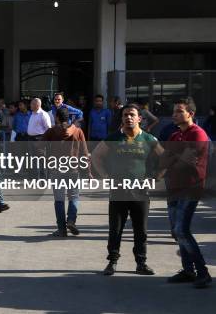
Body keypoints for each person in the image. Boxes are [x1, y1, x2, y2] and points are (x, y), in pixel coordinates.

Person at [92, 103, 163, 276]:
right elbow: (96, 156)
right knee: (115, 228)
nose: (128, 118)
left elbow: (165, 159)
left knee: (141, 230)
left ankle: (141, 263)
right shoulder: (113, 138)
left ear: (139, 118)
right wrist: (106, 176)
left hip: (140, 191)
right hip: (118, 191)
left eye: (132, 114)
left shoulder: (149, 139)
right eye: (125, 115)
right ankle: (112, 261)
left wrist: (155, 177)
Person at [160, 98, 212, 288]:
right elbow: (164, 162)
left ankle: (203, 273)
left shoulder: (198, 134)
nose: (174, 115)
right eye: (174, 111)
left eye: (179, 111)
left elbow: (185, 163)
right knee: (176, 232)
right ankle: (188, 270)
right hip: (173, 188)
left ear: (190, 113)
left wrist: (175, 158)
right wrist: (176, 158)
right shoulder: (175, 136)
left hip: (190, 188)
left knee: (182, 230)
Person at [42, 107, 89, 237]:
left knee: (59, 199)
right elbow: (85, 153)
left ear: (57, 117)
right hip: (73, 169)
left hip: (56, 169)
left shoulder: (51, 132)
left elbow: (40, 147)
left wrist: (47, 160)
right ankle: (71, 220)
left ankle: (62, 229)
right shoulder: (78, 131)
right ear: (69, 118)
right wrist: (88, 171)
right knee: (74, 197)